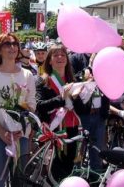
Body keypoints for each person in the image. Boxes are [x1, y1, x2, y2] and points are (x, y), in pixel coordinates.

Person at [0, 33, 37, 187]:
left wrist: (22, 125)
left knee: (20, 180)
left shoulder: (27, 75)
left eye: (14, 44)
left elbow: (31, 103)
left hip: (21, 135)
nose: (12, 47)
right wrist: (2, 132)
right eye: (7, 44)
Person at [36, 44, 81, 181]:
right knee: (53, 169)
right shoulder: (43, 80)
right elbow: (39, 106)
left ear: (67, 59)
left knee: (69, 167)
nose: (60, 57)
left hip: (72, 130)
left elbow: (81, 109)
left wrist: (80, 97)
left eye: (63, 54)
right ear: (49, 60)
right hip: (53, 131)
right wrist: (61, 98)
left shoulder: (74, 81)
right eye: (55, 55)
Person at [72, 64, 109, 173]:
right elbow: (75, 85)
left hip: (99, 117)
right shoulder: (83, 73)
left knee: (97, 148)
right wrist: (86, 76)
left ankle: (95, 175)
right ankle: (76, 174)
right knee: (80, 147)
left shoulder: (105, 77)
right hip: (84, 117)